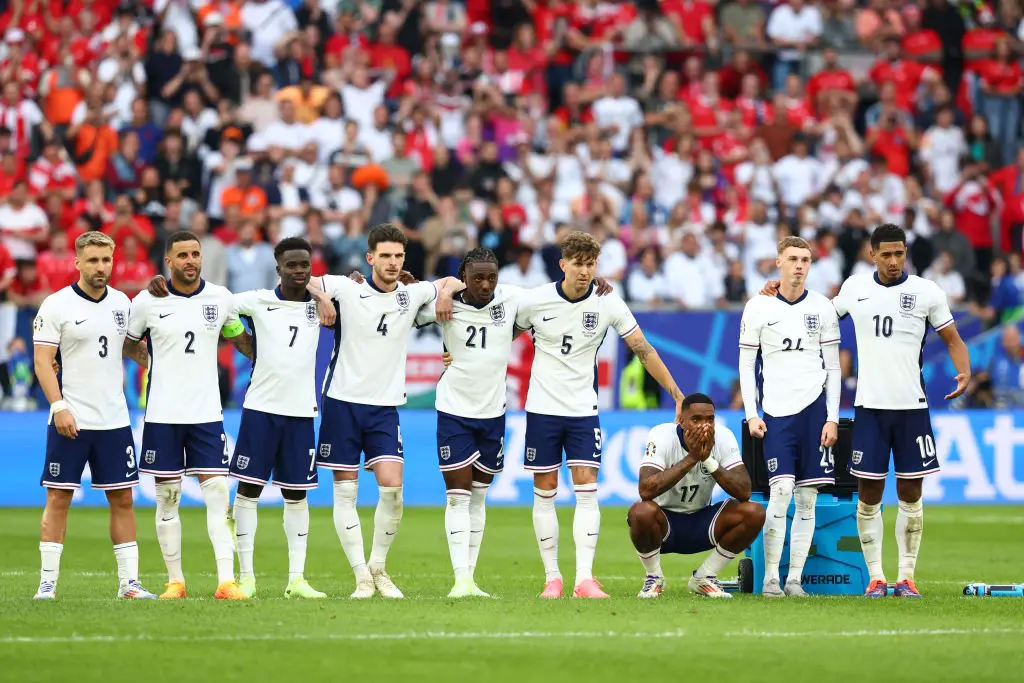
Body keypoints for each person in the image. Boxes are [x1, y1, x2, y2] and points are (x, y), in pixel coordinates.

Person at [763, 224, 970, 597]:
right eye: (886, 254)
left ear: (905, 253)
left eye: (899, 253)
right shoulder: (855, 288)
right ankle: (876, 577)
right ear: (872, 254)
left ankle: (906, 577)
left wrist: (965, 370)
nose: (893, 261)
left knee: (910, 491)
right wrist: (779, 292)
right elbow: (815, 312)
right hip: (870, 410)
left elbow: (952, 338)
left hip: (912, 407)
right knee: (869, 493)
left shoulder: (927, 292)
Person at [425, 248, 614, 597]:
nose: (485, 284)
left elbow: (560, 294)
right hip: (453, 409)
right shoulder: (444, 304)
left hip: (493, 412)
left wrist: (591, 281)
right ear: (464, 276)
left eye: (491, 278)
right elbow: (410, 303)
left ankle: (470, 580)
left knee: (479, 496)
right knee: (458, 497)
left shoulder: (512, 298)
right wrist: (445, 289)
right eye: (477, 277)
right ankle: (461, 580)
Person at [147, 238, 327, 600]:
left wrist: (341, 286)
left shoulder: (320, 304)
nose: (299, 270)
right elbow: (208, 301)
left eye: (304, 264)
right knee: (247, 492)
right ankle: (245, 578)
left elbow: (362, 293)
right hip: (260, 410)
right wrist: (161, 284)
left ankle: (296, 580)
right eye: (291, 265)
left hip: (301, 412)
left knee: (297, 495)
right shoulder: (254, 300)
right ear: (278, 268)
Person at [513, 231, 686, 599]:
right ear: (563, 264)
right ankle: (552, 579)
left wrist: (676, 393)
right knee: (545, 493)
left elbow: (643, 348)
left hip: (582, 411)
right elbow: (500, 339)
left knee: (587, 491)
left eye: (591, 264)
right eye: (578, 264)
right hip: (542, 410)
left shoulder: (608, 301)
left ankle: (584, 580)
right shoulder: (535, 300)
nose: (585, 271)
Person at [311, 223, 465, 599]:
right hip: (343, 401)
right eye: (385, 256)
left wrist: (445, 293)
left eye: (398, 256)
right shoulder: (347, 288)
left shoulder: (411, 296)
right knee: (345, 494)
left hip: (384, 407)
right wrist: (322, 298)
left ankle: (378, 567)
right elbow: (303, 280)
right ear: (370, 258)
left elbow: (453, 281)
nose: (393, 262)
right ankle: (361, 576)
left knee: (393, 489)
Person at [126, 231, 254, 600]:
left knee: (217, 495)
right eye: (182, 255)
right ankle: (175, 582)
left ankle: (226, 582)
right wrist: (153, 362)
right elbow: (129, 343)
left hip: (206, 414)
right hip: (162, 415)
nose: (190, 261)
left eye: (195, 254)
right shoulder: (147, 300)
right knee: (167, 498)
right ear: (168, 261)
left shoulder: (220, 298)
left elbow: (240, 340)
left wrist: (266, 356)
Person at [31, 231, 156, 599]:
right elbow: (42, 362)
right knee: (59, 498)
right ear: (78, 262)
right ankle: (47, 584)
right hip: (71, 418)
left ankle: (129, 584)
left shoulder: (123, 304)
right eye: (93, 260)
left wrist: (159, 361)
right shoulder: (56, 305)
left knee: (123, 499)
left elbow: (131, 349)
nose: (101, 267)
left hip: (114, 420)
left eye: (106, 260)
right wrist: (59, 407)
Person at [738, 236, 841, 597]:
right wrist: (751, 413)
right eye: (793, 259)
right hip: (777, 414)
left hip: (814, 412)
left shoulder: (823, 307)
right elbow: (746, 365)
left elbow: (833, 368)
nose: (799, 266)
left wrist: (832, 417)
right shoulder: (758, 307)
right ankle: (770, 579)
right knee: (780, 492)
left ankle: (794, 579)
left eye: (805, 260)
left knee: (808, 498)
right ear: (779, 261)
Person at [627, 393, 765, 598]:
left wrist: (707, 459)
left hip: (702, 523)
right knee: (640, 512)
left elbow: (744, 491)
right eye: (696, 419)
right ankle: (653, 577)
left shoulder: (723, 436)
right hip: (664, 525)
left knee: (754, 512)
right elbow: (645, 490)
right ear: (682, 422)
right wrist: (692, 458)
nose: (704, 425)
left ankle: (705, 577)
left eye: (710, 419)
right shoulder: (661, 435)